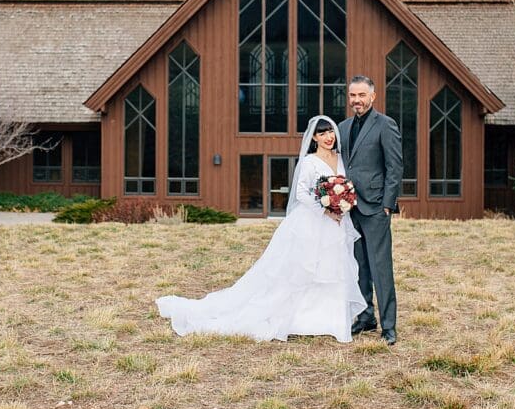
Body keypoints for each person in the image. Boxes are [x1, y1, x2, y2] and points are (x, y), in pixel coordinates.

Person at [156, 116, 367, 342]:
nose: (328, 137)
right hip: (313, 222)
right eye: (322, 133)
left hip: (337, 224)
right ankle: (300, 320)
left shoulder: (340, 158)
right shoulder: (309, 162)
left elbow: (345, 187)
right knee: (303, 271)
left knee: (333, 270)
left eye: (330, 132)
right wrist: (326, 209)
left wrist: (341, 204)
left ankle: (331, 322)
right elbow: (301, 193)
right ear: (314, 138)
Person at [338, 75, 401, 345]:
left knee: (380, 268)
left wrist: (388, 203)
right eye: (353, 96)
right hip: (349, 207)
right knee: (358, 266)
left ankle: (388, 326)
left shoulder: (385, 125)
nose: (357, 100)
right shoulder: (342, 127)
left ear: (372, 97)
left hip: (376, 207)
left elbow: (395, 167)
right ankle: (366, 317)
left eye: (361, 95)